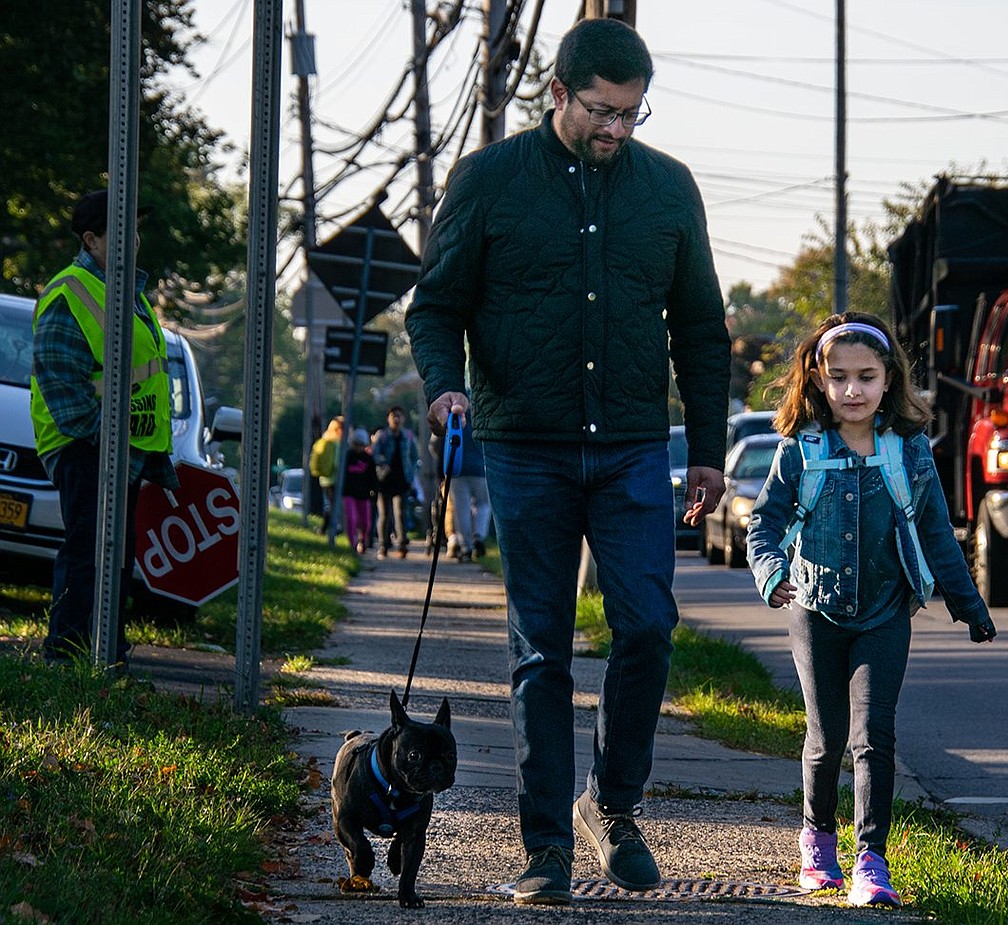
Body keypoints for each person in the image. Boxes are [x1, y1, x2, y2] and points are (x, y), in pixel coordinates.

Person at [405, 18, 730, 905]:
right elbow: (434, 307)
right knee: (540, 648)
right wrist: (445, 387)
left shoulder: (669, 191)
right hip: (524, 445)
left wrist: (707, 451)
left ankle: (611, 806)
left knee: (647, 626)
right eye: (601, 110)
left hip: (630, 445)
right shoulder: (490, 180)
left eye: (632, 113)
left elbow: (701, 329)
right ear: (557, 93)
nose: (617, 130)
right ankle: (545, 844)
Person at [745, 311, 998, 908]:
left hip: (887, 612)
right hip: (813, 610)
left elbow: (937, 532)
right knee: (826, 736)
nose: (852, 390)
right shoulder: (800, 450)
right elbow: (764, 524)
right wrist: (771, 575)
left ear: (890, 380)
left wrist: (968, 604)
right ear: (818, 381)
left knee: (874, 736)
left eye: (866, 376)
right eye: (839, 378)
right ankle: (816, 841)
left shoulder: (908, 452)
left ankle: (871, 861)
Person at [30, 189, 179, 667]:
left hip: (121, 449)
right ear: (91, 239)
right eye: (122, 230)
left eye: (135, 229)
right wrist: (103, 438)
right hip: (87, 445)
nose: (133, 239)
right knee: (88, 550)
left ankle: (107, 657)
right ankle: (67, 655)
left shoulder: (126, 293)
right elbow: (60, 375)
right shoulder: (70, 290)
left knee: (114, 556)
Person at [372, 406, 419, 559]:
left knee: (401, 513)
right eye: (393, 416)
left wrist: (411, 475)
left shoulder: (408, 436)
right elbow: (374, 454)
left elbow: (414, 457)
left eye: (399, 416)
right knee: (384, 514)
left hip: (402, 480)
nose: (396, 419)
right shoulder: (383, 436)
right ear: (389, 419)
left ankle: (402, 544)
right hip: (385, 480)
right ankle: (383, 545)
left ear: (403, 418)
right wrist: (383, 462)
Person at [448, 415, 490, 562]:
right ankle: (478, 534)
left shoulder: (455, 420)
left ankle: (465, 546)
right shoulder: (483, 418)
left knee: (461, 508)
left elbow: (436, 444)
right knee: (483, 504)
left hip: (458, 469)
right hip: (480, 470)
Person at [341, 427, 376, 554]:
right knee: (352, 518)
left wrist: (374, 491)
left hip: (364, 494)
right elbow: (341, 475)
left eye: (361, 445)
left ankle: (362, 539)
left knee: (366, 522)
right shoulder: (347, 457)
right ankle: (352, 544)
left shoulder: (368, 459)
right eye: (356, 444)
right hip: (348, 493)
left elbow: (373, 477)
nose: (359, 447)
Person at [310, 415, 343, 535]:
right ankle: (330, 528)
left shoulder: (325, 438)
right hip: (334, 478)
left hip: (324, 478)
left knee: (330, 504)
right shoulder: (337, 443)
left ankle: (325, 529)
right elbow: (336, 463)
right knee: (334, 505)